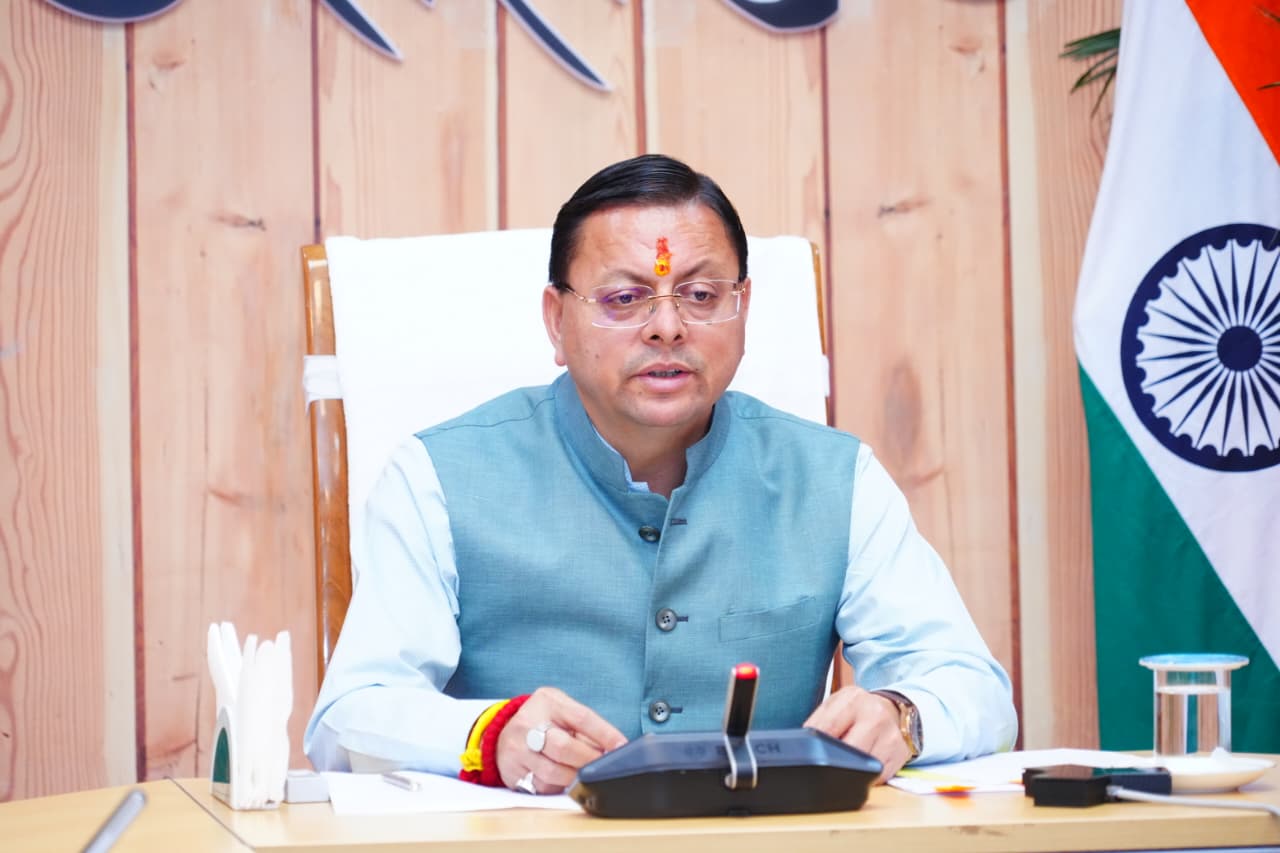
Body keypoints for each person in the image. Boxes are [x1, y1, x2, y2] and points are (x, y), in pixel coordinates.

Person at [305, 154, 1017, 794]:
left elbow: (975, 688)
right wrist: (487, 738)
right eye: (624, 299)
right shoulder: (437, 478)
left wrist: (903, 715)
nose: (668, 327)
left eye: (701, 295)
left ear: (743, 308)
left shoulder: (836, 480)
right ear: (555, 321)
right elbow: (347, 718)